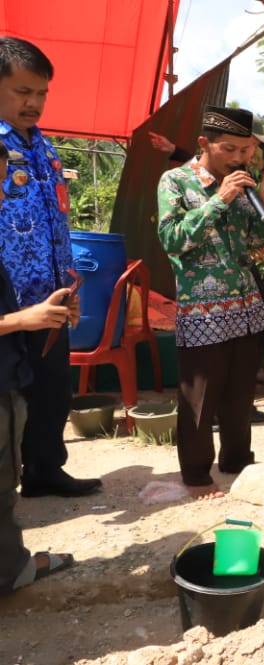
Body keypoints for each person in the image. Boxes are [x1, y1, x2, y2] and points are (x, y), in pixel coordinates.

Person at [157, 105, 264, 499]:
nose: (239, 158)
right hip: (203, 310)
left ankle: (237, 460)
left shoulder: (244, 185)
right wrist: (219, 201)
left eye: (245, 150)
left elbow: (255, 247)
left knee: (240, 393)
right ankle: (196, 474)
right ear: (204, 143)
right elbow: (172, 239)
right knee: (199, 396)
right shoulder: (176, 181)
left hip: (245, 307)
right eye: (230, 149)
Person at [0, 36, 101, 498]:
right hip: (8, 302)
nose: (34, 103)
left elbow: (56, 219)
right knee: (8, 397)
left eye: (41, 93)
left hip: (51, 296)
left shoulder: (46, 148)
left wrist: (68, 284)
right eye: (23, 91)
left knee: (53, 388)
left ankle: (44, 469)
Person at [1, 139, 77, 594]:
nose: (4, 198)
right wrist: (19, 320)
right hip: (16, 320)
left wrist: (62, 288)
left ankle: (11, 565)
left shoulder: (45, 149)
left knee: (43, 395)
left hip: (38, 305)